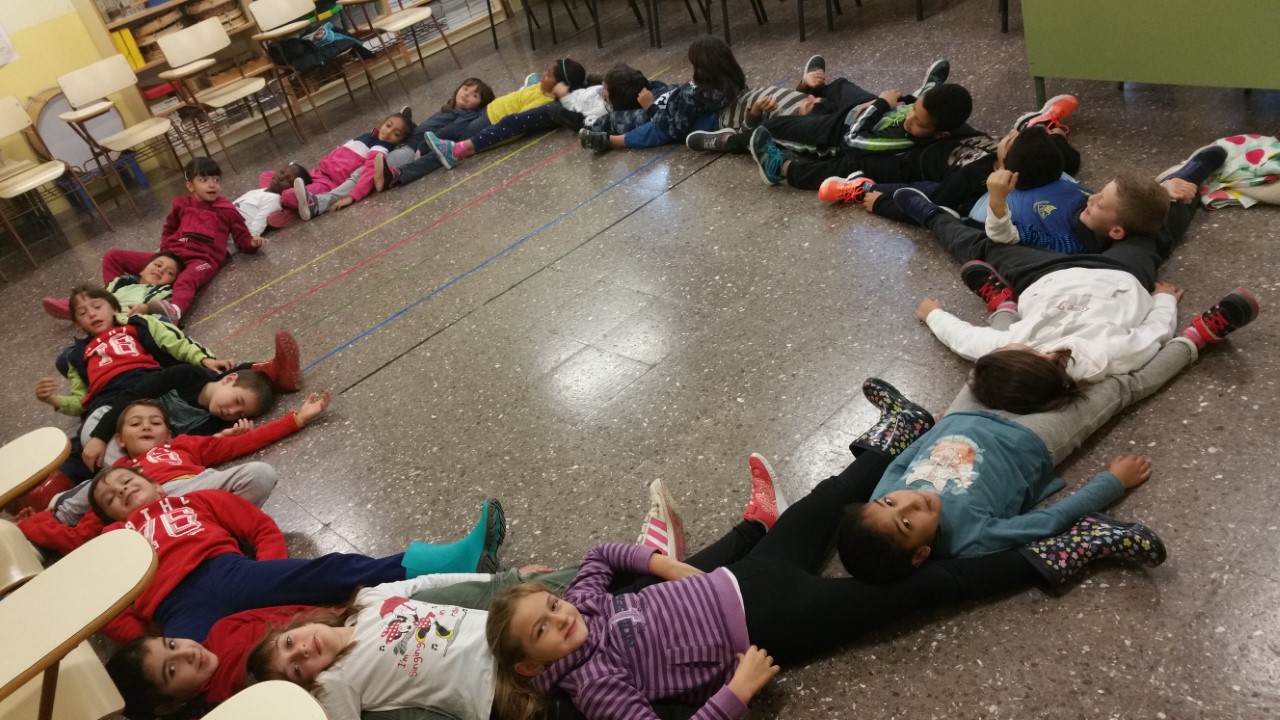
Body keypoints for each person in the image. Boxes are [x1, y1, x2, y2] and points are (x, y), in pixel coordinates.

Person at [483, 385, 1167, 720]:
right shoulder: (593, 688)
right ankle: (1074, 547)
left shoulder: (584, 604)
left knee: (821, 505)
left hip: (741, 576)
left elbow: (600, 557)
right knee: (922, 589)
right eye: (543, 630)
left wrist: (660, 564)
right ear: (530, 665)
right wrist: (735, 693)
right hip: (770, 624)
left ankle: (897, 434)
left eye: (550, 607)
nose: (561, 618)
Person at [106, 477, 705, 720]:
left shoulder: (339, 619)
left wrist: (502, 581)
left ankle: (650, 562)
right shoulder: (270, 694)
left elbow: (254, 524)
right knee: (590, 656)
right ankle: (675, 596)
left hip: (253, 583)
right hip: (487, 682)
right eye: (172, 669)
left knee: (555, 599)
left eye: (172, 647)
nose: (186, 654)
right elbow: (121, 615)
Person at [81, 467, 507, 643]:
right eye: (110, 498)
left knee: (331, 574)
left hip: (227, 571)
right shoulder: (113, 538)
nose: (120, 490)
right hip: (174, 609)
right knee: (202, 673)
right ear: (107, 519)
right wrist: (145, 638)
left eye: (125, 481)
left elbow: (259, 528)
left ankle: (446, 566)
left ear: (158, 486)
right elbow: (102, 609)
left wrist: (268, 574)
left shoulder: (192, 500)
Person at [18, 389, 328, 541]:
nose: (146, 426)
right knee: (105, 518)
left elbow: (242, 444)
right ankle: (190, 536)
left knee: (261, 473)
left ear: (168, 434)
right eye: (135, 424)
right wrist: (33, 528)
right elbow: (89, 527)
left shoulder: (183, 445)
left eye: (155, 423)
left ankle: (210, 529)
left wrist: (297, 419)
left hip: (197, 491)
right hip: (147, 508)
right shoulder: (119, 474)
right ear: (121, 440)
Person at [814, 94, 1081, 214]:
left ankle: (854, 186)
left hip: (917, 161)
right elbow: (1071, 160)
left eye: (1009, 140)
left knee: (856, 159)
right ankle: (1041, 121)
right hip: (955, 134)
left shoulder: (973, 175)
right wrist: (1056, 134)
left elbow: (936, 204)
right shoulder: (1046, 159)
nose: (1008, 133)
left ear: (1003, 168)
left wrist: (883, 204)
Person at [747, 60, 974, 186]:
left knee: (773, 128)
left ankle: (732, 138)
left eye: (919, 124)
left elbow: (852, 140)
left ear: (939, 134)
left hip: (840, 131)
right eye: (914, 111)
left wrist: (881, 104)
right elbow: (912, 107)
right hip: (864, 109)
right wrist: (906, 100)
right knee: (839, 85)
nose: (909, 119)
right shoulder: (920, 117)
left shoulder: (900, 143)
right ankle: (811, 87)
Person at [100, 158, 266, 321]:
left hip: (201, 260)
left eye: (216, 180)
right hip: (171, 257)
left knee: (186, 280)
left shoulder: (226, 210)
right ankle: (113, 298)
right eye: (204, 180)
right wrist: (164, 253)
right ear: (190, 186)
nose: (212, 184)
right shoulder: (181, 204)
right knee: (112, 256)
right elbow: (169, 228)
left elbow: (242, 238)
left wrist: (252, 243)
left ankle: (174, 310)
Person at [576, 36, 747, 152]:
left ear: (703, 68)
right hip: (670, 97)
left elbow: (674, 129)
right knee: (654, 87)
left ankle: (604, 136)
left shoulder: (694, 95)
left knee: (643, 126)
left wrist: (651, 107)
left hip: (661, 111)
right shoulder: (731, 82)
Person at [421, 60, 593, 169]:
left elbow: (516, 122)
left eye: (548, 74)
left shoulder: (547, 102)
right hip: (488, 112)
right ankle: (419, 150)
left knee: (445, 139)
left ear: (561, 85)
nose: (544, 74)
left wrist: (470, 147)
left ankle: (418, 160)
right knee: (443, 128)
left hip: (490, 120)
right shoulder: (544, 89)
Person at [281, 111, 412, 220]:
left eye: (396, 134)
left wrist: (353, 196)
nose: (388, 132)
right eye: (388, 125)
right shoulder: (369, 135)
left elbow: (369, 172)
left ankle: (287, 208)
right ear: (382, 123)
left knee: (289, 194)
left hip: (328, 183)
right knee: (279, 178)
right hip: (318, 172)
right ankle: (283, 208)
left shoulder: (381, 147)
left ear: (399, 141)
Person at [42, 251, 184, 323]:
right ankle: (78, 307)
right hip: (104, 315)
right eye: (157, 265)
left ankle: (76, 309)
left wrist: (146, 308)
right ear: (141, 270)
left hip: (125, 321)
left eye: (169, 273)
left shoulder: (162, 290)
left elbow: (161, 305)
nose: (160, 270)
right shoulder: (122, 283)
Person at [236, 162, 311, 234]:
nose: (281, 177)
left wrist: (251, 238)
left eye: (289, 180)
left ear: (292, 189)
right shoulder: (258, 191)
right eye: (282, 172)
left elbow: (257, 226)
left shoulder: (274, 200)